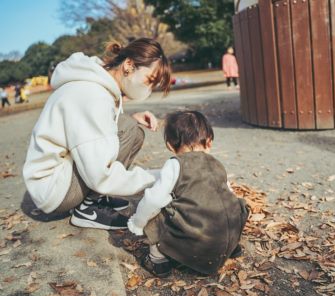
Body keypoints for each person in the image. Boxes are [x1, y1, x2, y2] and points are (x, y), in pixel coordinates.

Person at [23, 38, 171, 230]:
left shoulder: (93, 82)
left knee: (130, 128)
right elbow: (100, 176)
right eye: (150, 80)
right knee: (130, 130)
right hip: (55, 192)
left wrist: (132, 118)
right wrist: (160, 177)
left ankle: (96, 197)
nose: (149, 90)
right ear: (128, 65)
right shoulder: (92, 94)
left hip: (54, 178)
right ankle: (88, 208)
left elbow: (99, 131)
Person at [127, 111, 249, 277]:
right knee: (232, 204)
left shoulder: (175, 164)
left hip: (198, 241)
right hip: (224, 237)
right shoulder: (217, 163)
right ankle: (232, 246)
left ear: (170, 145)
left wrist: (138, 222)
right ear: (209, 142)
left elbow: (153, 200)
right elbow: (228, 194)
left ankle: (157, 260)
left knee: (157, 212)